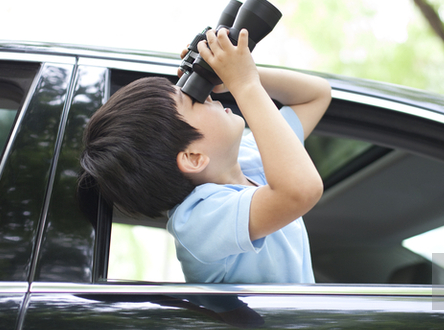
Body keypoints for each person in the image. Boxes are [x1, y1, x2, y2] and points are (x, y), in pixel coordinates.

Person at [80, 27, 331, 284]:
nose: (207, 96)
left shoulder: (247, 160)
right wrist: (243, 83)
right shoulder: (197, 220)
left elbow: (316, 96)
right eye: (193, 101)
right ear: (193, 157)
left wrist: (236, 73)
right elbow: (300, 191)